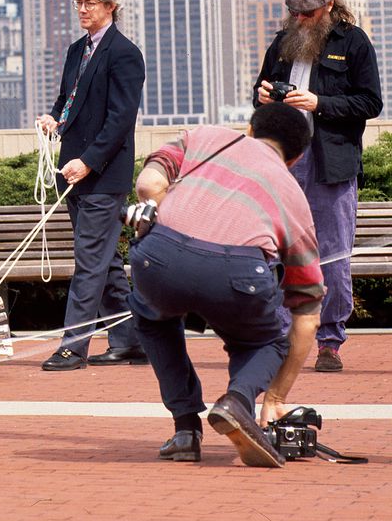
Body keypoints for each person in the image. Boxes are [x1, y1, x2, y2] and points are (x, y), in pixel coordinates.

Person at [128, 103, 325, 467]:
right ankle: (238, 401)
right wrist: (276, 397)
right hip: (238, 276)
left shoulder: (205, 137)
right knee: (265, 340)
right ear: (295, 159)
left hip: (158, 259)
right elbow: (308, 312)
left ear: (249, 129)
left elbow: (148, 183)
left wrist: (160, 213)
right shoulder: (294, 196)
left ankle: (185, 430)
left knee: (152, 318)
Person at [253, 0, 382, 373]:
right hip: (285, 160)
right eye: (295, 12)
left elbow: (370, 103)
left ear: (328, 6)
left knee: (333, 252)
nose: (301, 19)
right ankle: (276, 333)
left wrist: (319, 102)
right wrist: (261, 96)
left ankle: (329, 341)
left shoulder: (354, 43)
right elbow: (260, 92)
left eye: (308, 12)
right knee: (273, 248)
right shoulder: (282, 42)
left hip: (331, 161)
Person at [36, 0, 147, 370]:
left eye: (90, 3)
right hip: (73, 172)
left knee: (89, 260)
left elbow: (120, 120)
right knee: (106, 262)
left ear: (110, 6)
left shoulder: (125, 53)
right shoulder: (74, 51)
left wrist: (88, 161)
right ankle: (130, 341)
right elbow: (69, 100)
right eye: (79, 2)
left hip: (102, 175)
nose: (82, 9)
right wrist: (54, 121)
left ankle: (73, 347)